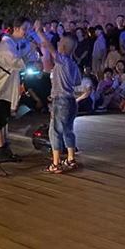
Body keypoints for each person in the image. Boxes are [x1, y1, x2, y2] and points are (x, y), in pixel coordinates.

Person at [0, 16, 33, 162]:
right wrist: (31, 52)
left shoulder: (13, 43)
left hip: (3, 87)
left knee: (2, 117)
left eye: (28, 29)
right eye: (25, 29)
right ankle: (0, 151)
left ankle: (2, 148)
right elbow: (17, 63)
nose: (27, 32)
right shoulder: (6, 45)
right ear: (16, 28)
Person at [34, 21, 81, 174]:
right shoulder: (73, 64)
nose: (58, 45)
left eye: (60, 43)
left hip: (61, 100)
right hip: (71, 100)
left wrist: (39, 32)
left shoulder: (63, 60)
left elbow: (49, 47)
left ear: (64, 48)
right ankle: (71, 159)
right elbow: (77, 82)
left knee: (55, 131)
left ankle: (56, 163)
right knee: (69, 130)